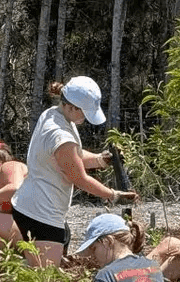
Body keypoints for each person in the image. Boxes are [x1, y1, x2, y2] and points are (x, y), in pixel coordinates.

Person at [10, 76, 138, 268]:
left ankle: (20, 277)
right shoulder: (59, 133)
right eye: (84, 113)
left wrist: (100, 160)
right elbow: (79, 178)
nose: (85, 118)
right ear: (71, 107)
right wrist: (113, 195)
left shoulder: (55, 114)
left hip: (34, 206)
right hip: (41, 212)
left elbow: (72, 156)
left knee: (38, 268)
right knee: (45, 276)